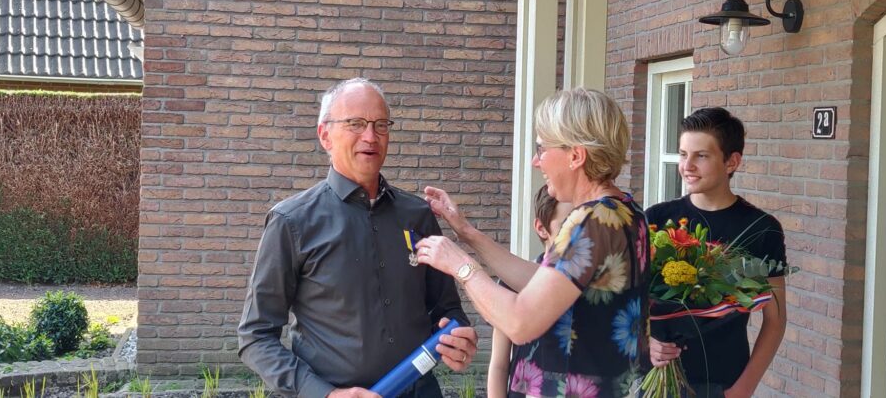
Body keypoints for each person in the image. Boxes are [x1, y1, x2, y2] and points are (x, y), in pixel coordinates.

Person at [237, 78, 478, 398]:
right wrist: (324, 394)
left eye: (381, 125)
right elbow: (255, 336)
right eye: (355, 124)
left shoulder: (418, 215)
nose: (370, 136)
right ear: (325, 135)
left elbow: (447, 309)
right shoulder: (292, 222)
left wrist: (455, 339)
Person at [416, 88, 649, 397]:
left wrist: (460, 265)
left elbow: (519, 323)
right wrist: (467, 232)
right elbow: (543, 283)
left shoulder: (589, 222)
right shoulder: (625, 211)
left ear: (576, 156)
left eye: (542, 148)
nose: (535, 161)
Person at [646, 107, 788, 398]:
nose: (687, 166)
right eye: (683, 154)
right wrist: (644, 341)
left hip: (722, 381)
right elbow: (627, 302)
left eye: (701, 156)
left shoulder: (761, 228)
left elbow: (775, 319)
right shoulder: (656, 220)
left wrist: (743, 389)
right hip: (652, 379)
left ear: (731, 162)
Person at [487, 185, 574, 398]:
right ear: (541, 228)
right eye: (567, 224)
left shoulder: (599, 288)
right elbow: (499, 364)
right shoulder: (512, 284)